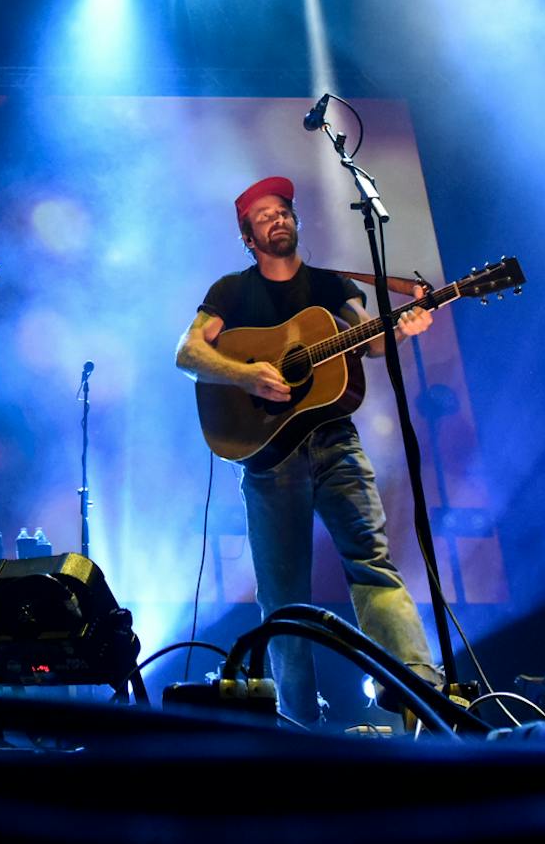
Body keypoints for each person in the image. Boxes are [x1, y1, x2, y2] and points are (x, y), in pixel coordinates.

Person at [175, 175, 437, 727]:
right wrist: (244, 375)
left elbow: (367, 341)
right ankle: (298, 728)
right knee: (284, 597)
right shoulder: (231, 290)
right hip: (268, 458)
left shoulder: (332, 285)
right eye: (264, 214)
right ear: (248, 236)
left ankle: (422, 694)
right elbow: (188, 352)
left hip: (337, 443)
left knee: (372, 564)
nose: (278, 218)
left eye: (284, 210)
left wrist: (405, 330)